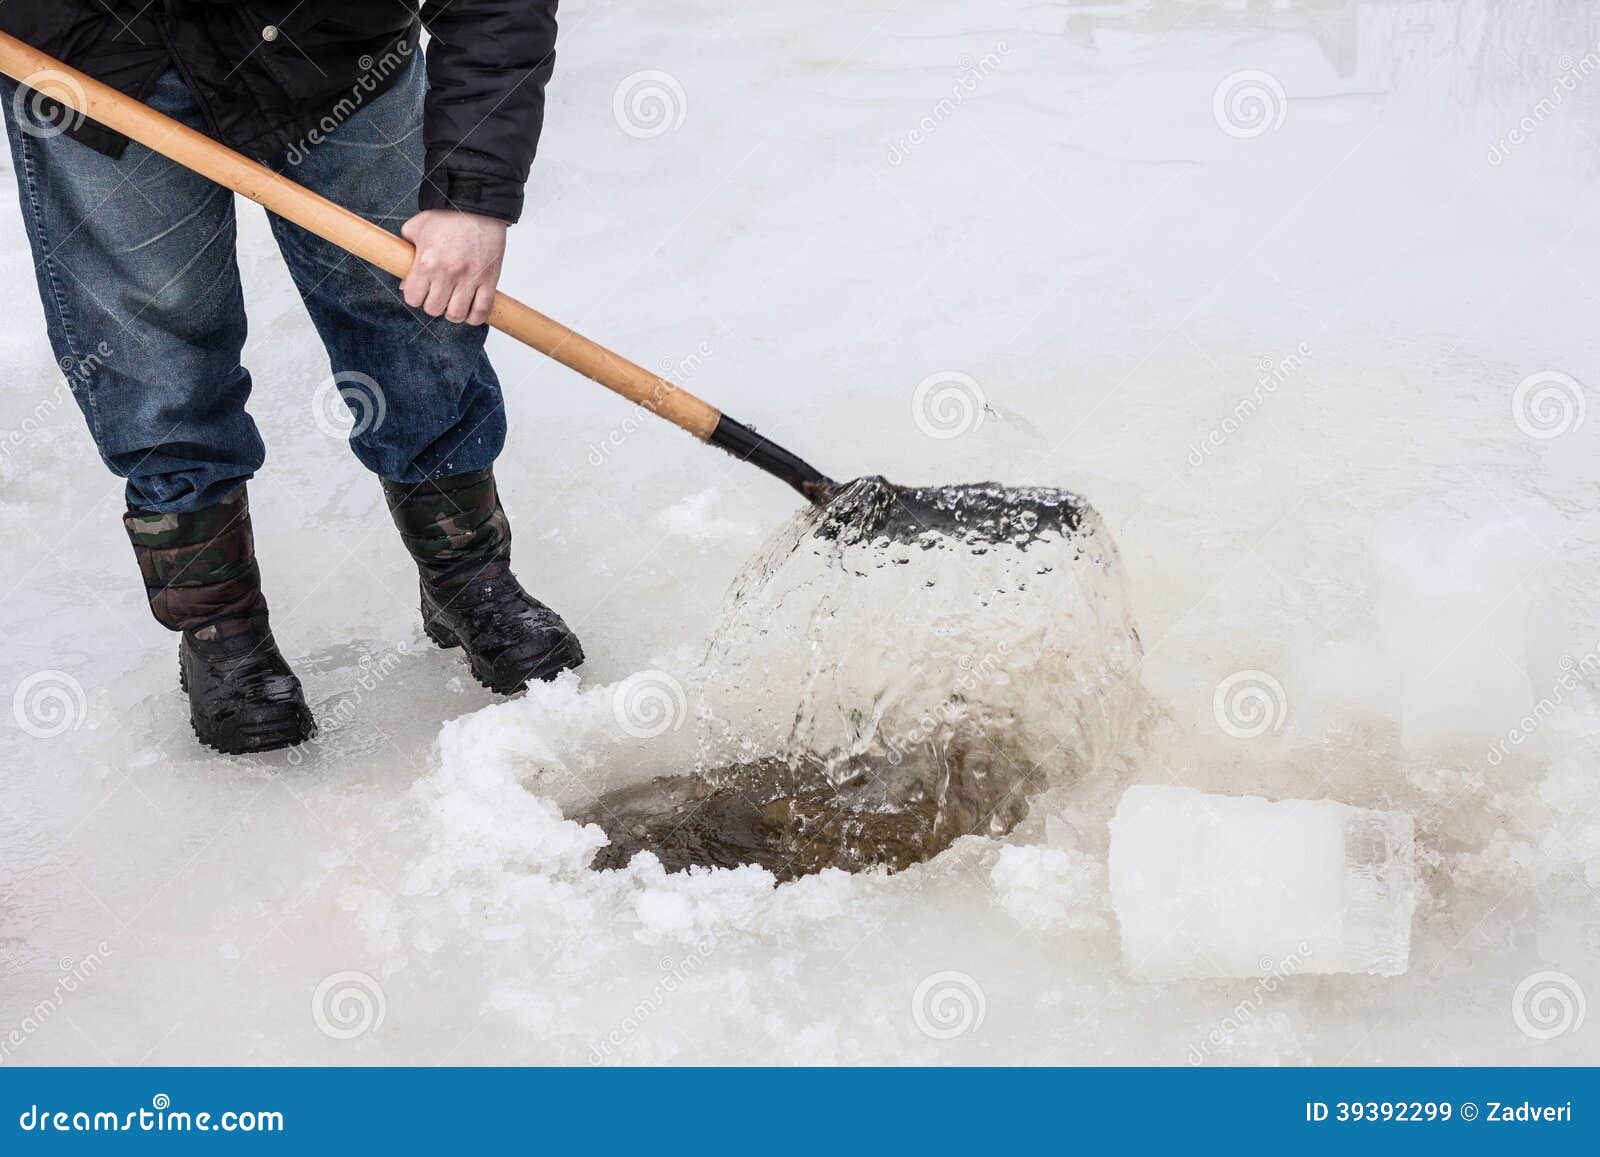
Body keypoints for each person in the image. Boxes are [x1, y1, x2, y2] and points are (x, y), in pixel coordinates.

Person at [0, 2, 583, 754]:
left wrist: (472, 189)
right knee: (151, 346)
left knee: (407, 306)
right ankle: (221, 626)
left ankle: (466, 571)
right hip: (94, 53)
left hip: (326, 45)